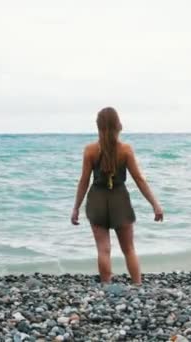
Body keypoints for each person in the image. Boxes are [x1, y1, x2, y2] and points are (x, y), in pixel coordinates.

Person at [71, 107, 163, 285]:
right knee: (129, 249)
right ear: (118, 126)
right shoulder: (125, 150)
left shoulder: (90, 150)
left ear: (98, 127)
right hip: (119, 200)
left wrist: (76, 207)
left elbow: (83, 181)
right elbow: (139, 180)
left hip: (96, 200)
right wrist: (155, 204)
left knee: (103, 249)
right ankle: (137, 285)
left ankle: (107, 286)